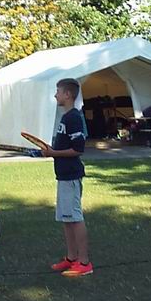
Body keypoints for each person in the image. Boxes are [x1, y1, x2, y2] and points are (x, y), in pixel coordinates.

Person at [43, 79, 93, 277]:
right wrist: (51, 151)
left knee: (75, 218)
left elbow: (78, 149)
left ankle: (84, 262)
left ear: (68, 95)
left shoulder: (74, 117)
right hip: (62, 175)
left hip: (71, 175)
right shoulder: (65, 117)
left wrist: (54, 153)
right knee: (66, 218)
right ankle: (71, 257)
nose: (56, 95)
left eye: (58, 91)